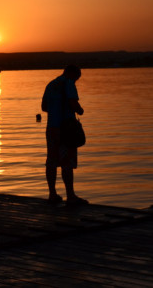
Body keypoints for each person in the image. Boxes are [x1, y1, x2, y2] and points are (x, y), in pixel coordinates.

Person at [41, 65, 87, 207]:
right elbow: (73, 103)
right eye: (76, 78)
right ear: (72, 74)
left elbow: (44, 107)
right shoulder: (68, 83)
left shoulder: (51, 84)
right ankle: (71, 196)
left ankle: (52, 194)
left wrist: (55, 109)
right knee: (67, 162)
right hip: (66, 129)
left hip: (51, 128)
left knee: (51, 161)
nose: (76, 81)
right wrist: (80, 110)